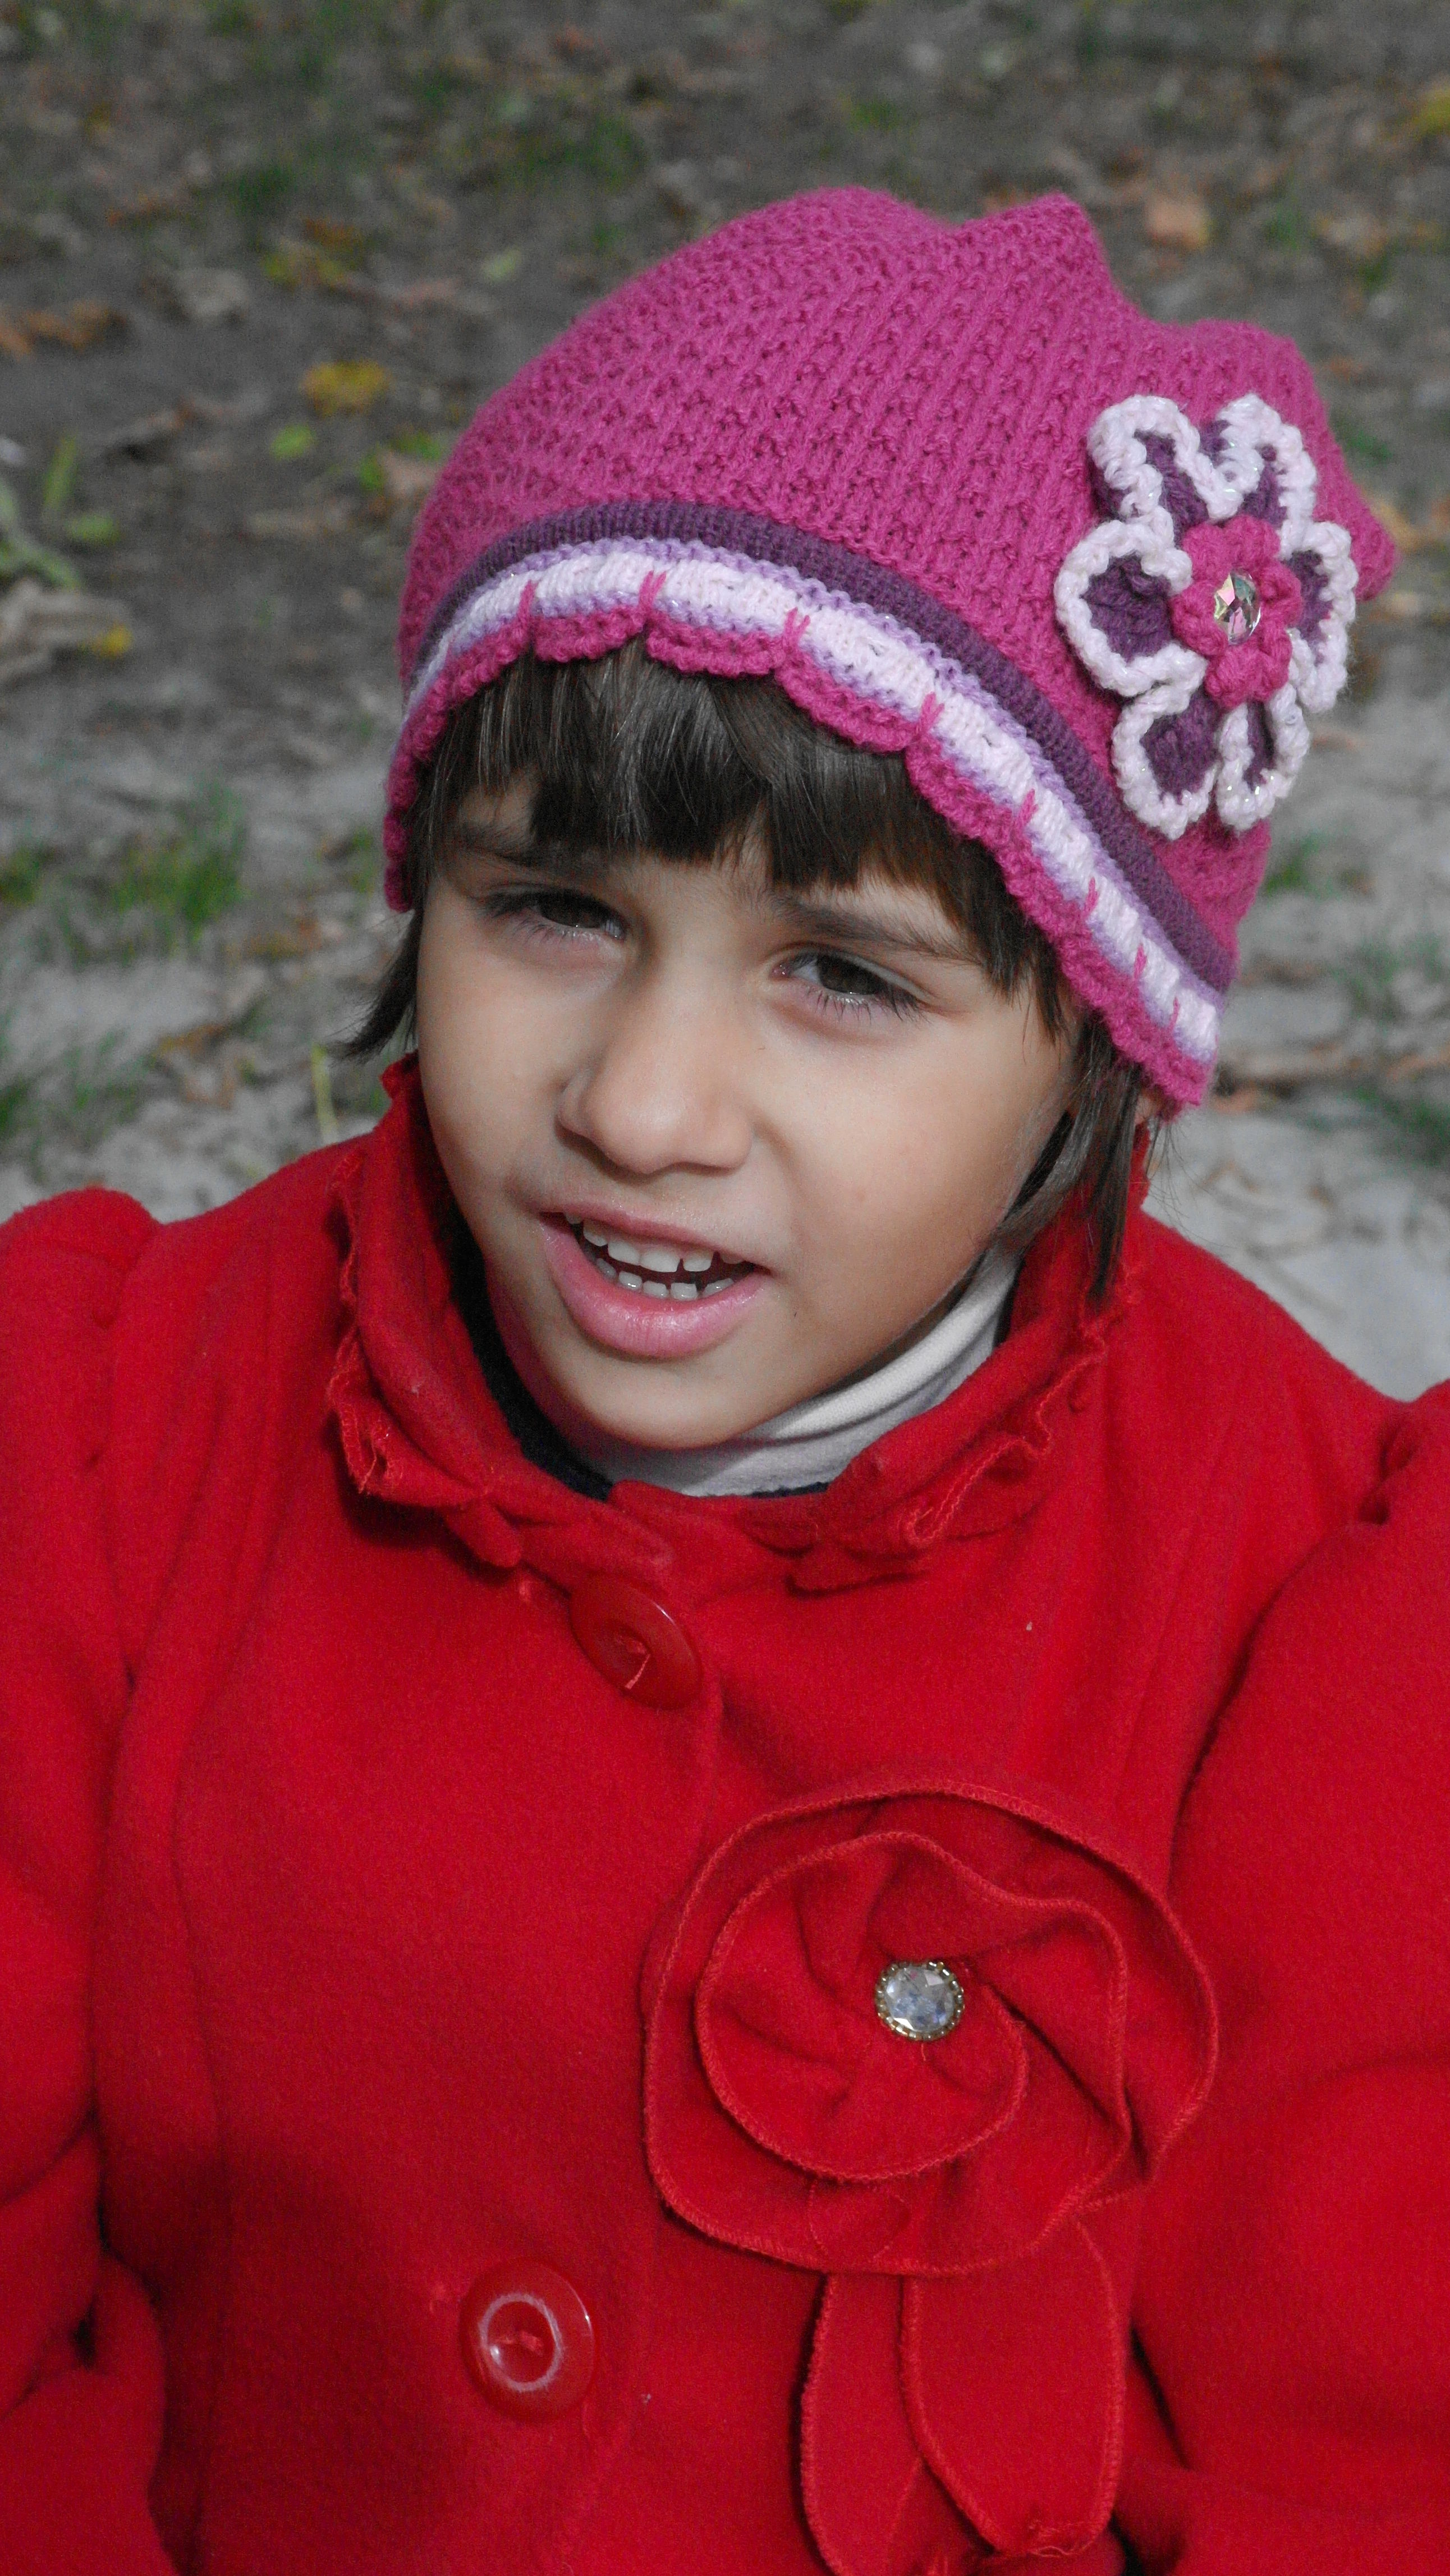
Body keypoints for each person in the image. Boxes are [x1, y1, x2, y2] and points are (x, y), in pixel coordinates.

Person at [2, 189, 1446, 2576]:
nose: (645, 1104)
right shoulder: (94, 1437)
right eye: (554, 909)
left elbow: (1353, 2453)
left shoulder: (1312, 1607)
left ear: (1095, 1038)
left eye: (843, 975)